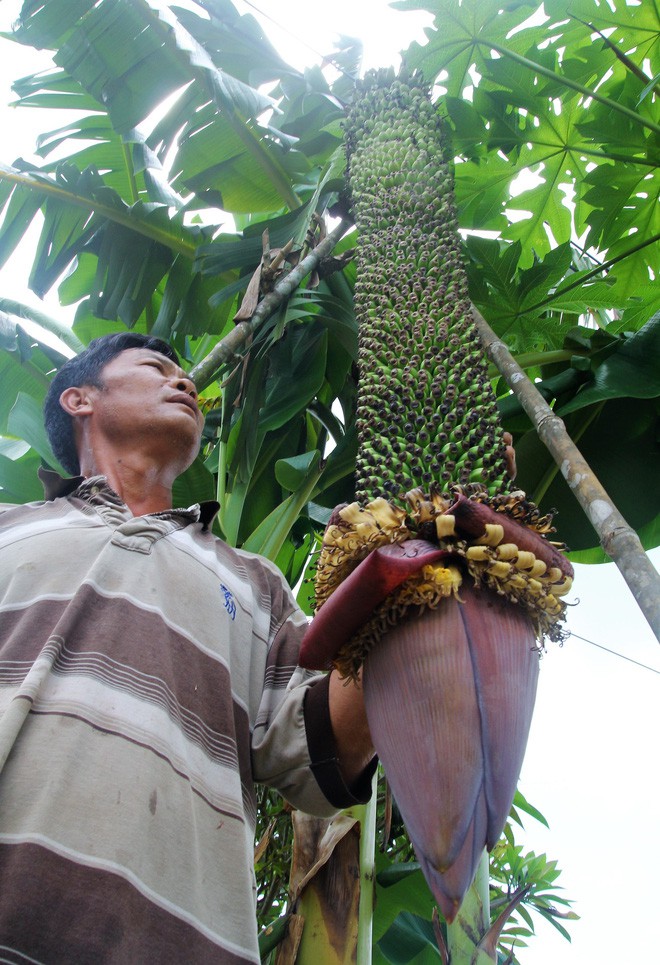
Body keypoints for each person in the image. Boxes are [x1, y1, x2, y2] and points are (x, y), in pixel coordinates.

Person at [0, 333, 376, 963]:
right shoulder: (11, 529)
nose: (185, 385)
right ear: (78, 399)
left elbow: (324, 745)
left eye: (186, 376)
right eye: (156, 369)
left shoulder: (256, 585)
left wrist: (412, 569)